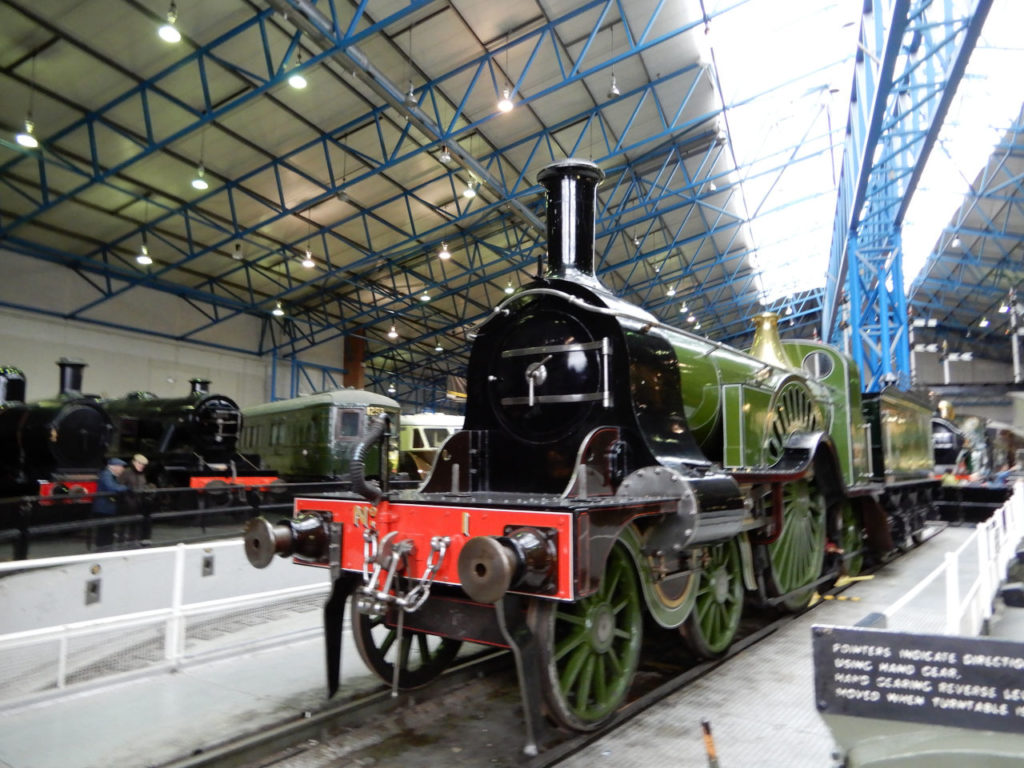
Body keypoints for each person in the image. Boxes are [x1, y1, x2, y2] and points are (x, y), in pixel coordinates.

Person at [92, 458, 128, 550]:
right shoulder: (106, 475)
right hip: (104, 508)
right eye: (121, 467)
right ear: (113, 467)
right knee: (104, 530)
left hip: (106, 507)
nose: (122, 469)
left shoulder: (109, 475)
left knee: (107, 530)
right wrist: (126, 488)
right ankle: (103, 549)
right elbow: (112, 488)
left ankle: (105, 548)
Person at [119, 454, 149, 544]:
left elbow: (143, 485)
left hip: (137, 503)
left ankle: (132, 542)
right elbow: (120, 485)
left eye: (143, 465)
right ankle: (121, 542)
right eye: (140, 464)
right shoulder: (127, 472)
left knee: (135, 524)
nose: (142, 466)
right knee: (124, 524)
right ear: (134, 462)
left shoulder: (141, 474)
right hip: (126, 503)